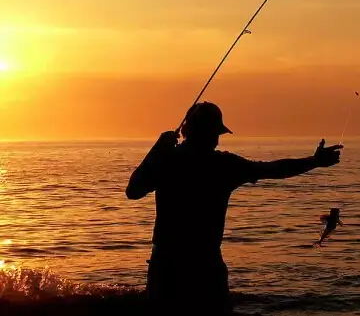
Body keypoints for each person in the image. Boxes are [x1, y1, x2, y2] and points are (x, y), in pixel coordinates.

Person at [125, 101, 343, 313]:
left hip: (166, 265)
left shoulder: (168, 161)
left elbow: (133, 191)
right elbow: (274, 169)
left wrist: (156, 150)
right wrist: (314, 161)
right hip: (206, 265)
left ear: (185, 130)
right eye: (215, 134)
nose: (216, 140)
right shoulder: (224, 166)